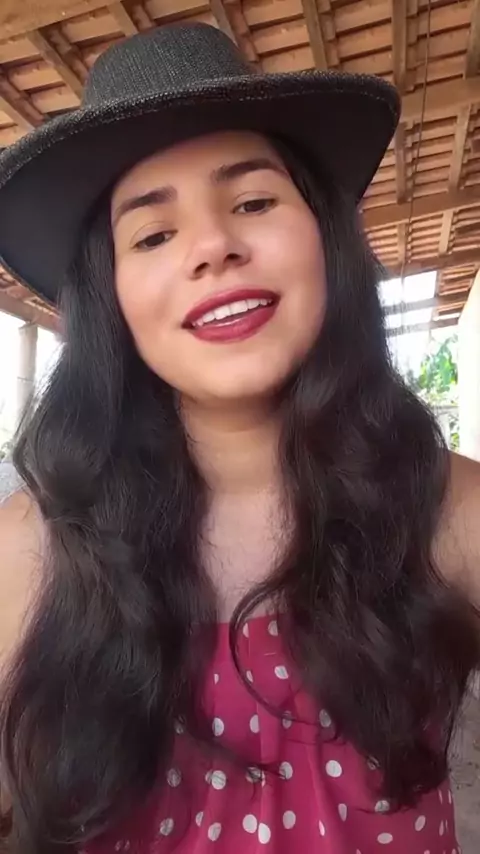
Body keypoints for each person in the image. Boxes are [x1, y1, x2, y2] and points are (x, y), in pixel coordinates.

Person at [0, 21, 478, 854]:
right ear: (111, 301)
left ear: (325, 237)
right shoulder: (29, 551)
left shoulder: (449, 509)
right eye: (153, 234)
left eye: (254, 202)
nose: (215, 247)